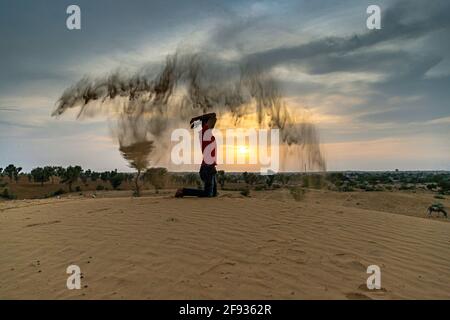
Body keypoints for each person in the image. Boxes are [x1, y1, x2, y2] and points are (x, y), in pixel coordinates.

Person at [175, 112, 218, 198]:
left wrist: (198, 121)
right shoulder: (205, 131)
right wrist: (196, 118)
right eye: (210, 122)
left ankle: (184, 191)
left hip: (210, 168)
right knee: (208, 194)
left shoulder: (204, 132)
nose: (213, 123)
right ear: (206, 123)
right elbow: (213, 115)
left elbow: (213, 118)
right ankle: (183, 191)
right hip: (207, 168)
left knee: (213, 194)